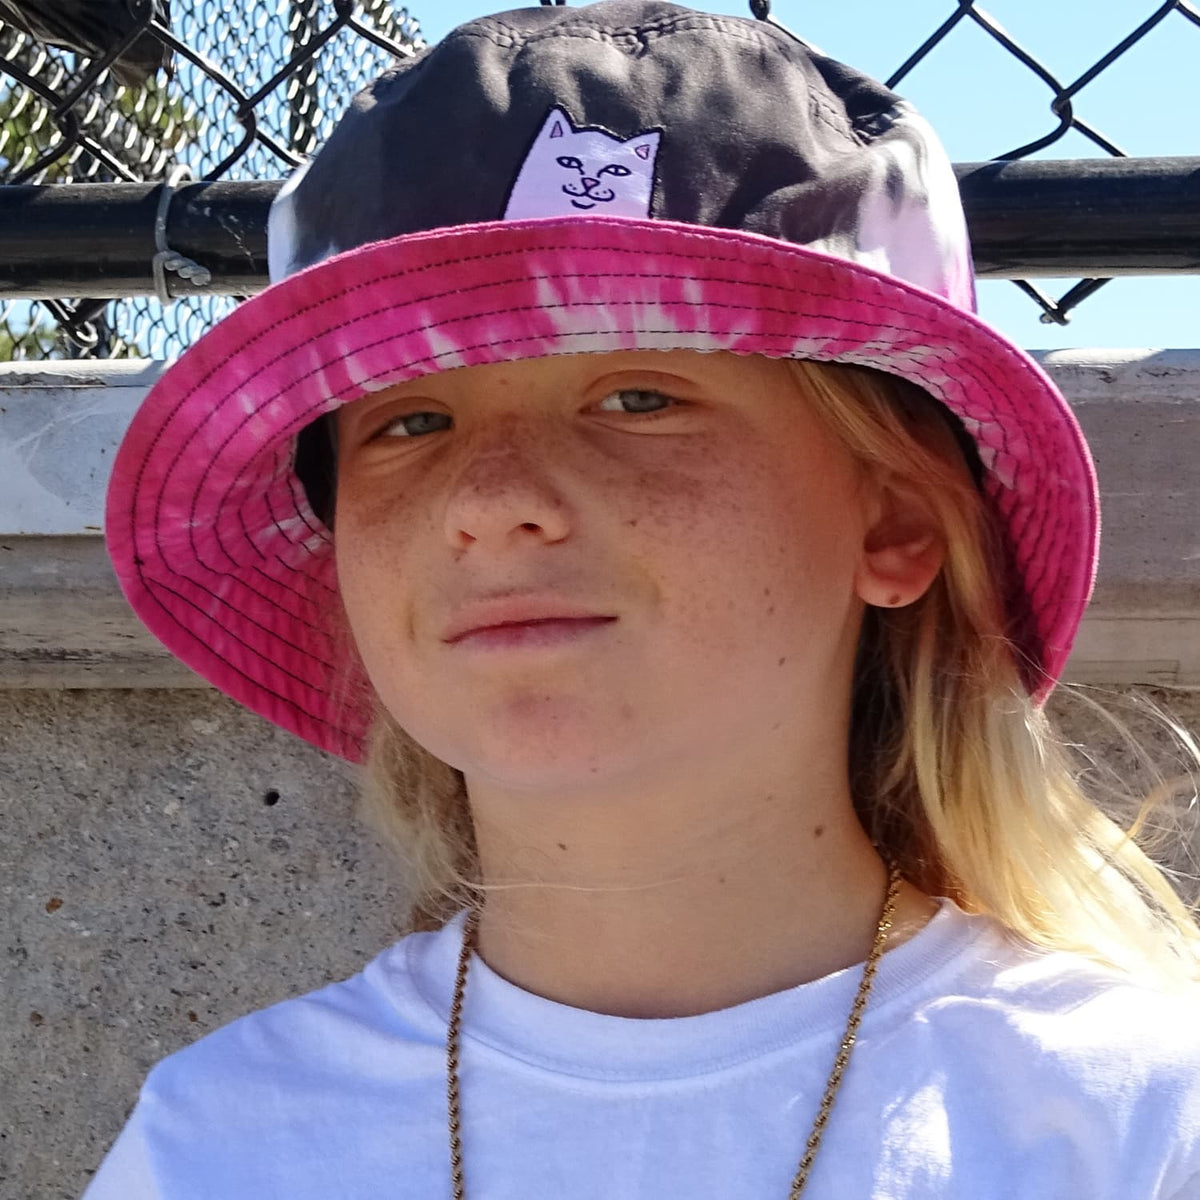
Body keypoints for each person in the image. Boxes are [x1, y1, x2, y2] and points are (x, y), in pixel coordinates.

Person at [84, 1, 1200, 1197]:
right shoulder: (220, 1141)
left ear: (895, 525)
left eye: (638, 399)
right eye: (411, 423)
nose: (490, 501)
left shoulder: (1130, 1122)